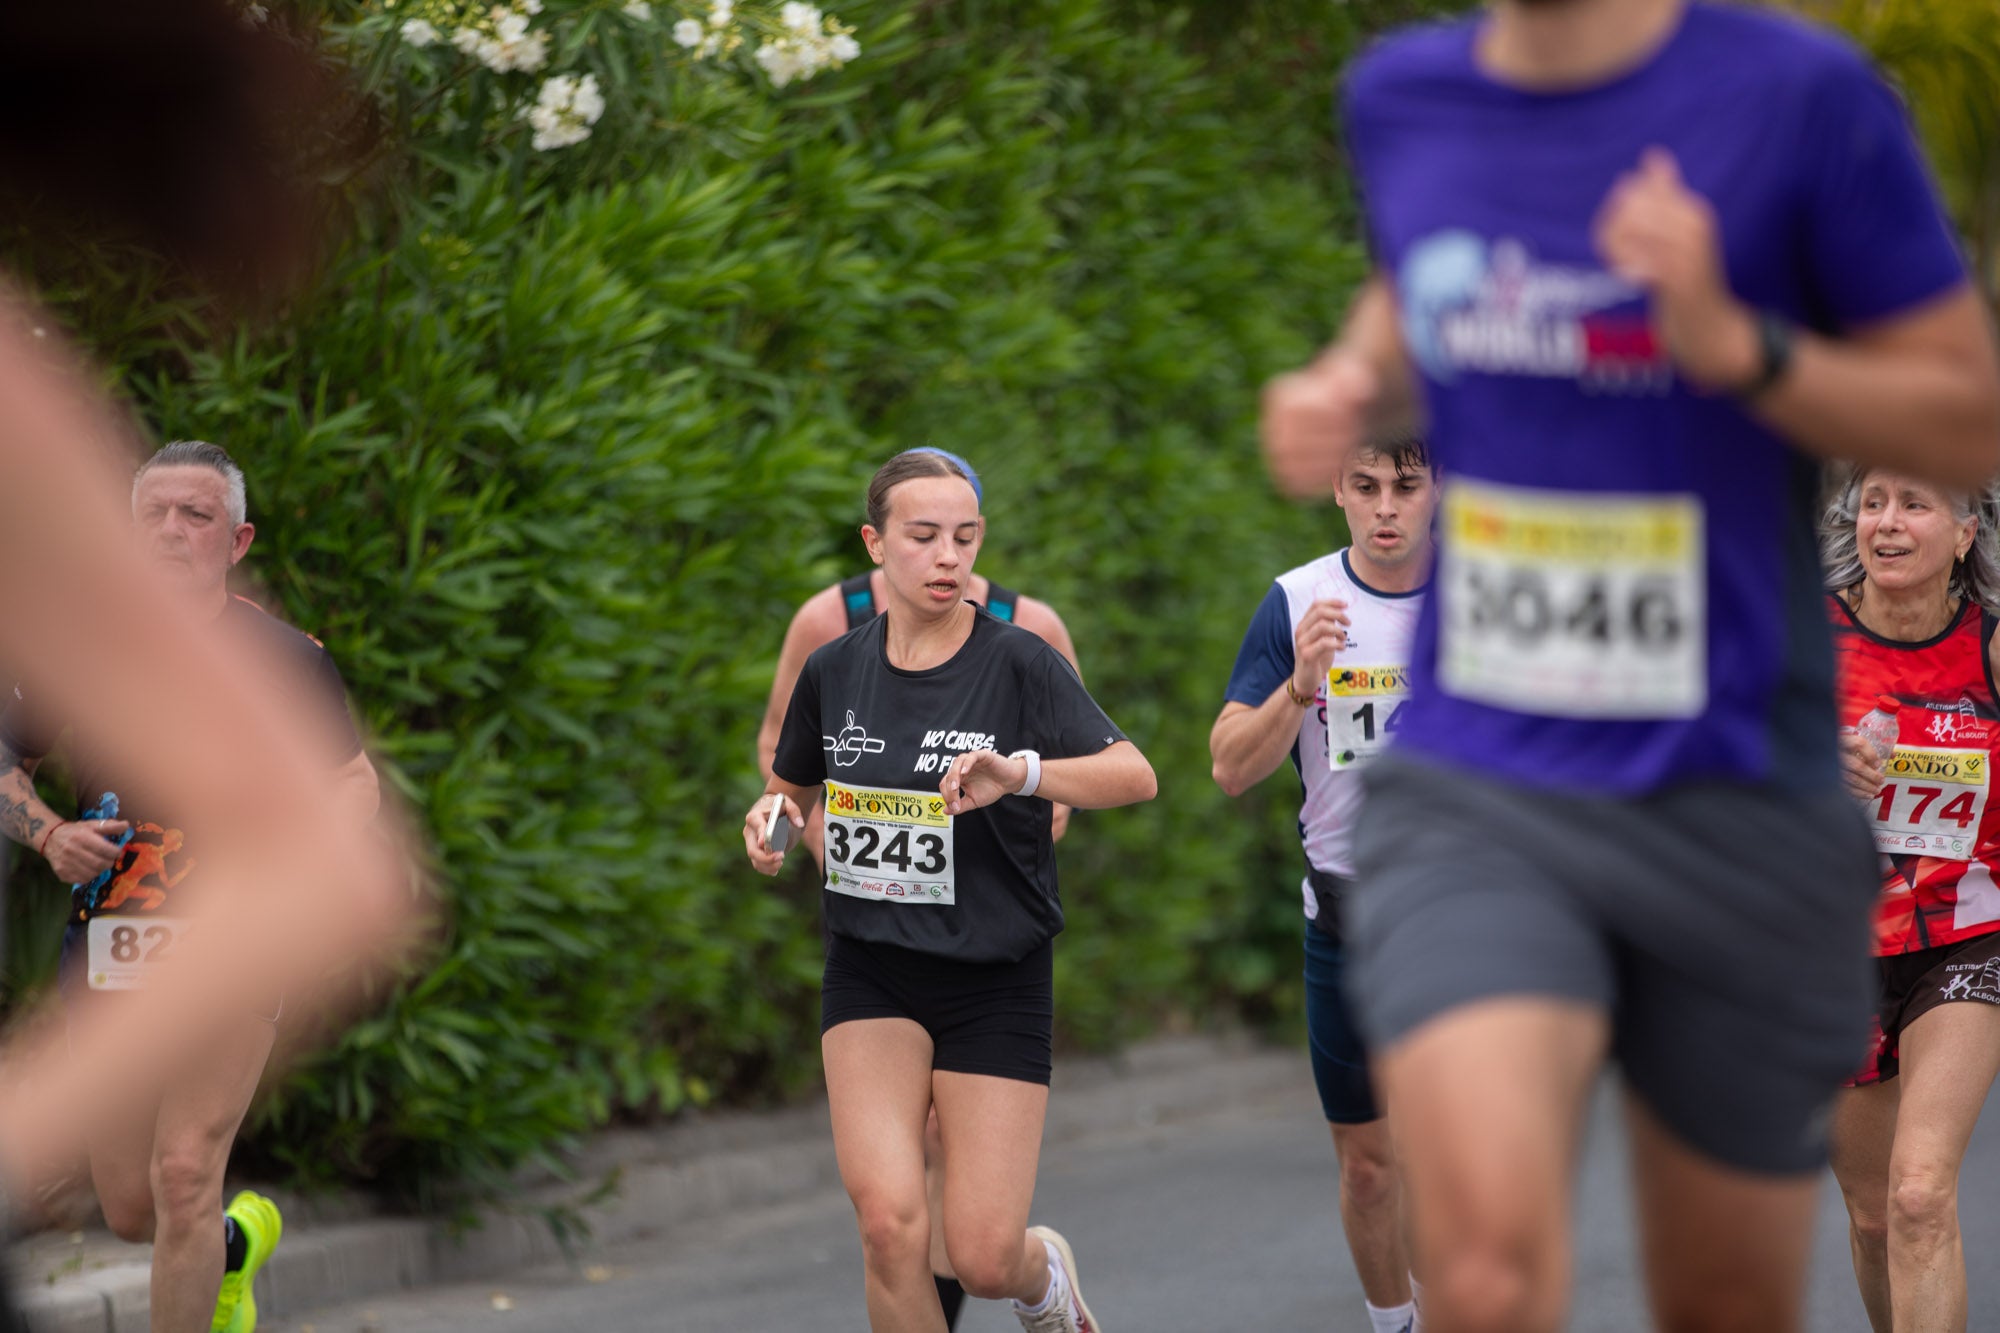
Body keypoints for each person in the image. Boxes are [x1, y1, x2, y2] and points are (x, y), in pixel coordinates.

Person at [1259, 0, 2000, 1327]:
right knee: (1481, 1270)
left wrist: (1738, 347)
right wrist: (1345, 378)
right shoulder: (1407, 96)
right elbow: (1416, 278)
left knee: (1720, 1294)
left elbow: (1966, 408)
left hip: (1729, 787)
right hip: (1480, 783)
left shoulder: (1799, 96)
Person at [744, 449, 1155, 1333]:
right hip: (871, 968)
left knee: (979, 1252)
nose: (947, 557)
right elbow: (792, 789)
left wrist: (1024, 774)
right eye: (924, 536)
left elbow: (1134, 773)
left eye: (964, 537)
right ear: (875, 543)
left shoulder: (1021, 659)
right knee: (890, 1225)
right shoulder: (834, 667)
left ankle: (1042, 1281)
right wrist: (772, 824)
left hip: (993, 972)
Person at [0, 441, 381, 1333]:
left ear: (238, 539)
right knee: (131, 1205)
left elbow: (352, 783)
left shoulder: (285, 659)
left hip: (232, 947)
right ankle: (233, 1251)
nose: (172, 532)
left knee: (183, 1172)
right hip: (110, 945)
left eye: (197, 516)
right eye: (153, 515)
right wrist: (50, 832)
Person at [1211, 431, 1435, 1333]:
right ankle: (1396, 1322)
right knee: (1371, 1164)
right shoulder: (1298, 601)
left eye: (1406, 486)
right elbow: (1229, 766)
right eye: (1366, 485)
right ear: (1338, 492)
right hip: (1345, 916)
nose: (1387, 506)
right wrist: (1300, 685)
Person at [1821, 469, 2000, 1333]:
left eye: (1915, 503)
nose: (1887, 523)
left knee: (1922, 1192)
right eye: (1876, 502)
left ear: (1965, 532)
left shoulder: (1992, 650)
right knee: (1875, 1215)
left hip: (1967, 941)